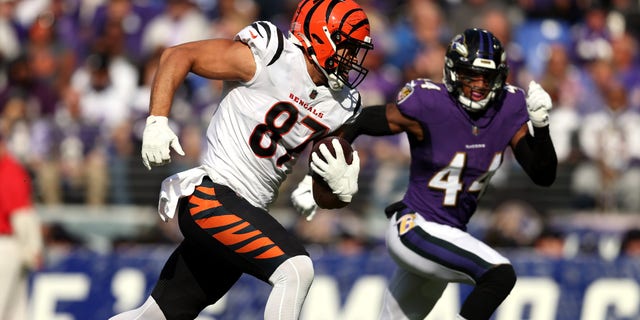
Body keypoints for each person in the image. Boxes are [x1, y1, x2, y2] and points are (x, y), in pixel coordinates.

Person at [110, 0, 372, 319]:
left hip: (245, 212)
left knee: (158, 315)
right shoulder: (272, 54)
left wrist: (338, 191)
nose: (351, 59)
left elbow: (323, 193)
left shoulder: (341, 104)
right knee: (296, 270)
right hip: (213, 198)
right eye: (347, 47)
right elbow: (178, 55)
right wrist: (157, 120)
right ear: (321, 36)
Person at [293, 28, 558, 320]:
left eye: (488, 77)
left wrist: (541, 127)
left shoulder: (508, 107)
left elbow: (542, 175)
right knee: (499, 275)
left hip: (448, 236)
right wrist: (316, 176)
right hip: (414, 226)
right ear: (453, 73)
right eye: (471, 75)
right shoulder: (430, 103)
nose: (479, 86)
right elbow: (362, 120)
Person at [0, 131, 44, 320]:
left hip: (8, 244)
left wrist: (31, 247)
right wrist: (33, 247)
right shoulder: (9, 168)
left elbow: (21, 215)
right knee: (14, 312)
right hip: (7, 246)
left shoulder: (8, 169)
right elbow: (22, 213)